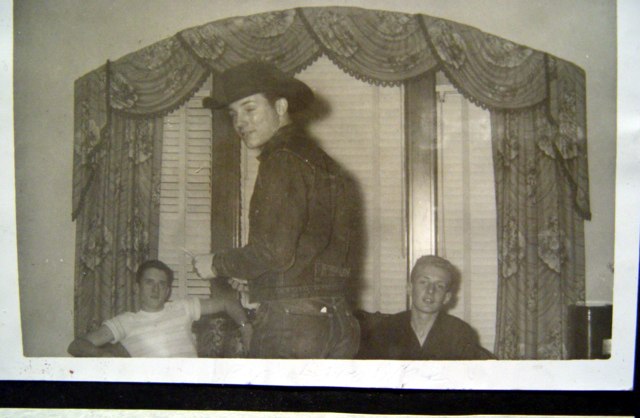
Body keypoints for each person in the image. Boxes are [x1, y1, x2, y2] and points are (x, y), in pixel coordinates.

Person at [194, 61, 360, 359]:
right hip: (337, 321)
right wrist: (259, 278)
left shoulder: (281, 159)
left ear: (280, 107)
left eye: (249, 109)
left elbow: (276, 253)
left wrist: (216, 264)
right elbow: (309, 253)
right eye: (233, 114)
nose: (240, 122)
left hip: (293, 326)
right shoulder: (323, 162)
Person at [68, 260, 251, 358]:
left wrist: (246, 328)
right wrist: (102, 355)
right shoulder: (125, 322)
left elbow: (227, 302)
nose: (155, 290)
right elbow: (76, 346)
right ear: (137, 288)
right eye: (149, 283)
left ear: (168, 291)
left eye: (161, 284)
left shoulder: (183, 307)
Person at [357, 255, 493, 360]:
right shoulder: (384, 330)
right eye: (423, 282)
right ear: (410, 288)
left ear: (446, 297)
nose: (430, 290)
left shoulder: (460, 333)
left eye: (439, 286)